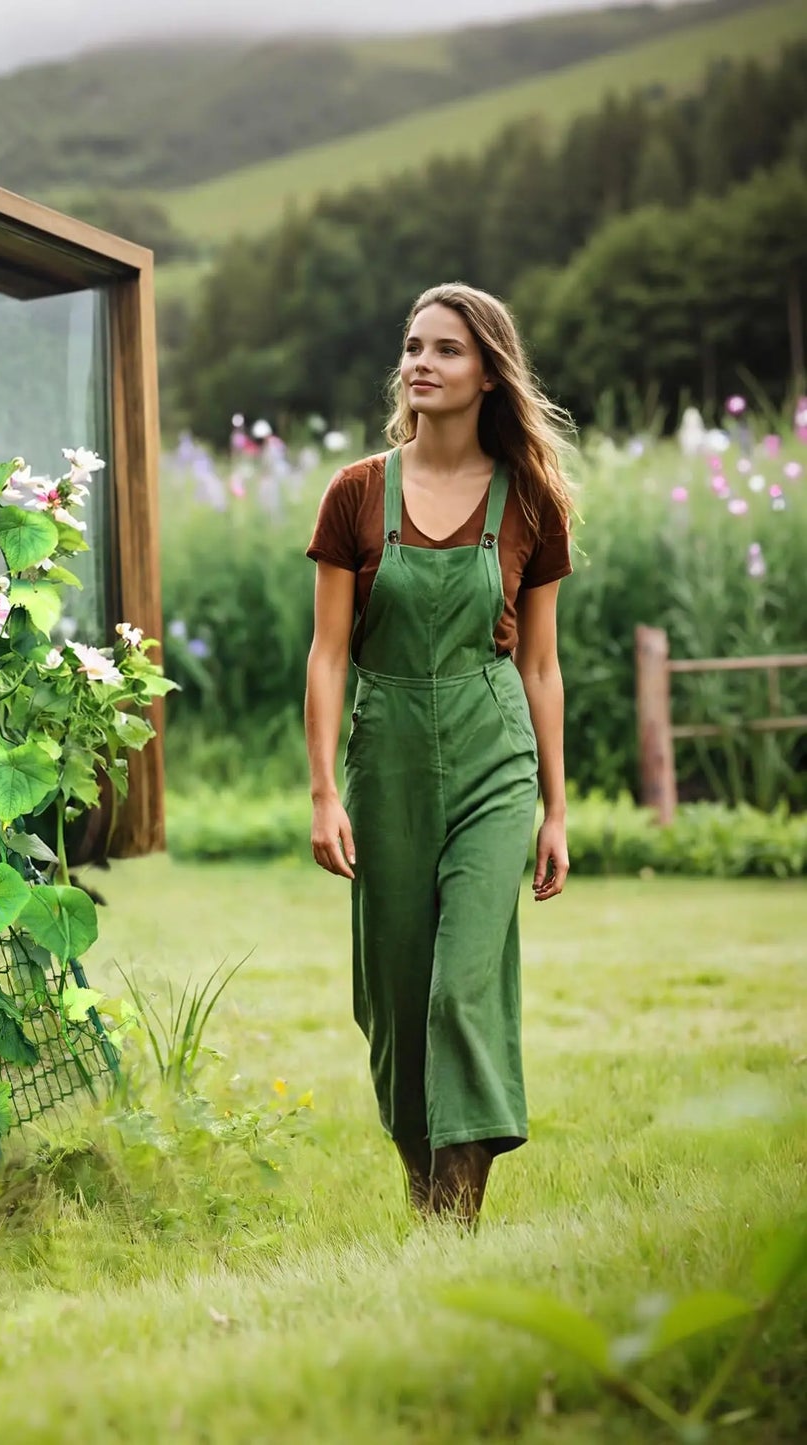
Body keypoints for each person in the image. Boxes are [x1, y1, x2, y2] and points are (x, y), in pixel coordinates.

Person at [303, 282, 574, 1226]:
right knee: (395, 991)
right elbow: (328, 653)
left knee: (462, 982)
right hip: (385, 760)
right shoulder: (355, 494)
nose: (421, 362)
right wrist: (322, 792)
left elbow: (539, 666)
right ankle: (424, 1192)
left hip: (493, 750)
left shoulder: (530, 499)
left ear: (488, 371)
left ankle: (451, 1223)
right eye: (413, 346)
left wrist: (556, 808)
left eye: (445, 350)